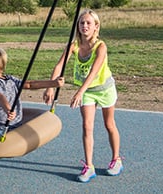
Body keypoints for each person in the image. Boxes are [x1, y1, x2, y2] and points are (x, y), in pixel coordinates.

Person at [44, 9, 123, 183]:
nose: (84, 26)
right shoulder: (73, 45)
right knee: (87, 126)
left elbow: (94, 72)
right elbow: (59, 66)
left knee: (109, 124)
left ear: (96, 27)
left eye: (88, 23)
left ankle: (116, 159)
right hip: (87, 92)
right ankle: (89, 166)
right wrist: (50, 86)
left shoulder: (100, 46)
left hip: (104, 89)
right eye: (82, 23)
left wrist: (79, 91)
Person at [0, 46, 64, 144]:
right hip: (14, 123)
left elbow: (0, 96)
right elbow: (30, 84)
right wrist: (53, 83)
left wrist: (8, 109)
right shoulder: (10, 79)